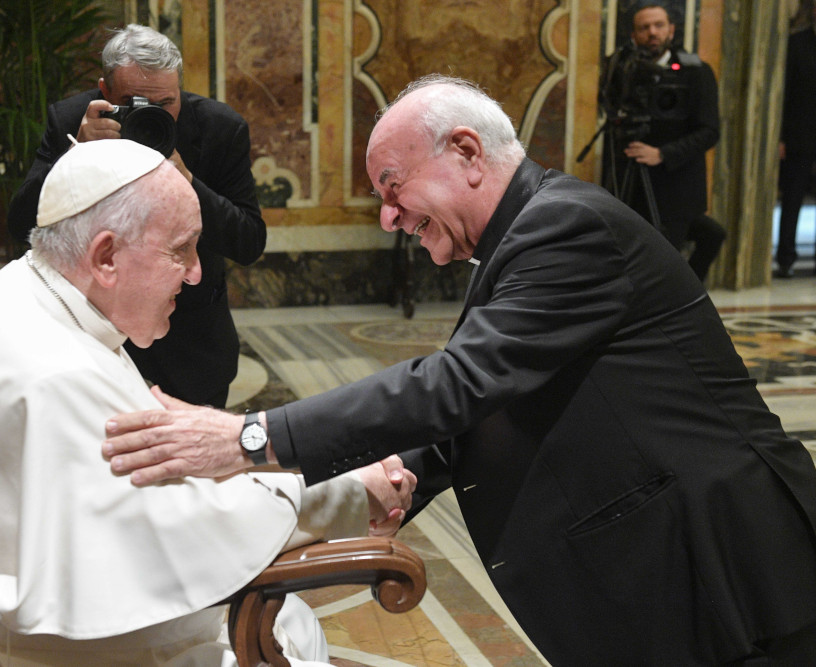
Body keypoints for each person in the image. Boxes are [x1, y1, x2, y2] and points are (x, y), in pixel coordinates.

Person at [101, 75, 816, 665]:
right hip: (666, 570)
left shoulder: (567, 227)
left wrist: (249, 439)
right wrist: (381, 483)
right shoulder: (524, 234)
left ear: (467, 151)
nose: (386, 217)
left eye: (391, 185)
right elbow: (480, 404)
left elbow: (458, 382)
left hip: (728, 564)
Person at [0, 139, 415, 666]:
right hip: (25, 650)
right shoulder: (49, 369)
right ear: (106, 255)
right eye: (181, 249)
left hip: (34, 628)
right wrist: (336, 490)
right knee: (283, 630)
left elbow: (151, 480)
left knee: (290, 621)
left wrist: (246, 447)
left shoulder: (35, 300)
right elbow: (159, 540)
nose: (195, 272)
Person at [7, 24, 264, 408]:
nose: (153, 115)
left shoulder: (219, 129)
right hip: (91, 336)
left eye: (165, 104)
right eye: (134, 102)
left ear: (179, 88)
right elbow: (21, 225)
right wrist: (74, 153)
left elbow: (248, 241)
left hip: (191, 342)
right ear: (104, 92)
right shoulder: (73, 120)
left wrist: (187, 180)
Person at [601, 3, 726, 282]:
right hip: (630, 184)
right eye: (644, 28)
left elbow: (709, 131)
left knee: (666, 264)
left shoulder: (695, 72)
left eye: (658, 25)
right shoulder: (621, 70)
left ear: (671, 29)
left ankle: (681, 306)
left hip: (676, 186)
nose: (652, 33)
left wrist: (663, 153)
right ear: (633, 35)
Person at [776, 3, 816, 278]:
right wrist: (779, 137)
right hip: (798, 136)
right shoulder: (796, 43)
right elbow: (784, 93)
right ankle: (786, 259)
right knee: (792, 200)